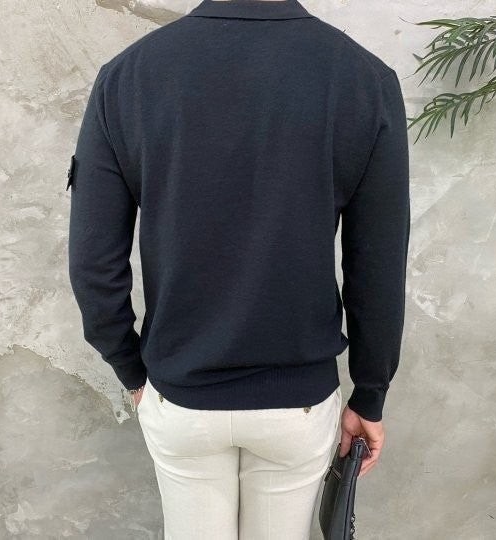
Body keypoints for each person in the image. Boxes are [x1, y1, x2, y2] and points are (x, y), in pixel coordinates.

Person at [67, 0, 410, 538]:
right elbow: (379, 264)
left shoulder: (128, 77)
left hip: (182, 396)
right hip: (297, 403)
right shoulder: (364, 79)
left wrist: (130, 368)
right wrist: (370, 391)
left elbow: (93, 261)